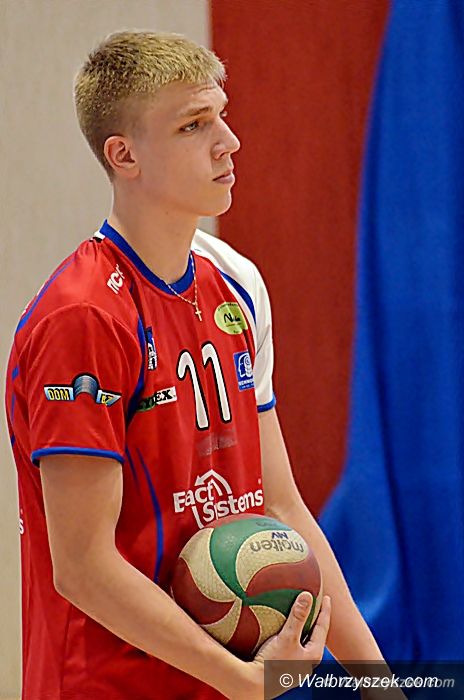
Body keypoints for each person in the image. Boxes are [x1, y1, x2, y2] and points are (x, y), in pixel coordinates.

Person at [5, 31, 388, 700]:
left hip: (218, 685)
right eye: (193, 125)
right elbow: (83, 567)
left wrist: (381, 684)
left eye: (222, 115)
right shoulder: (84, 318)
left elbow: (281, 505)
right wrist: (241, 681)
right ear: (124, 155)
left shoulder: (235, 287)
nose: (228, 142)